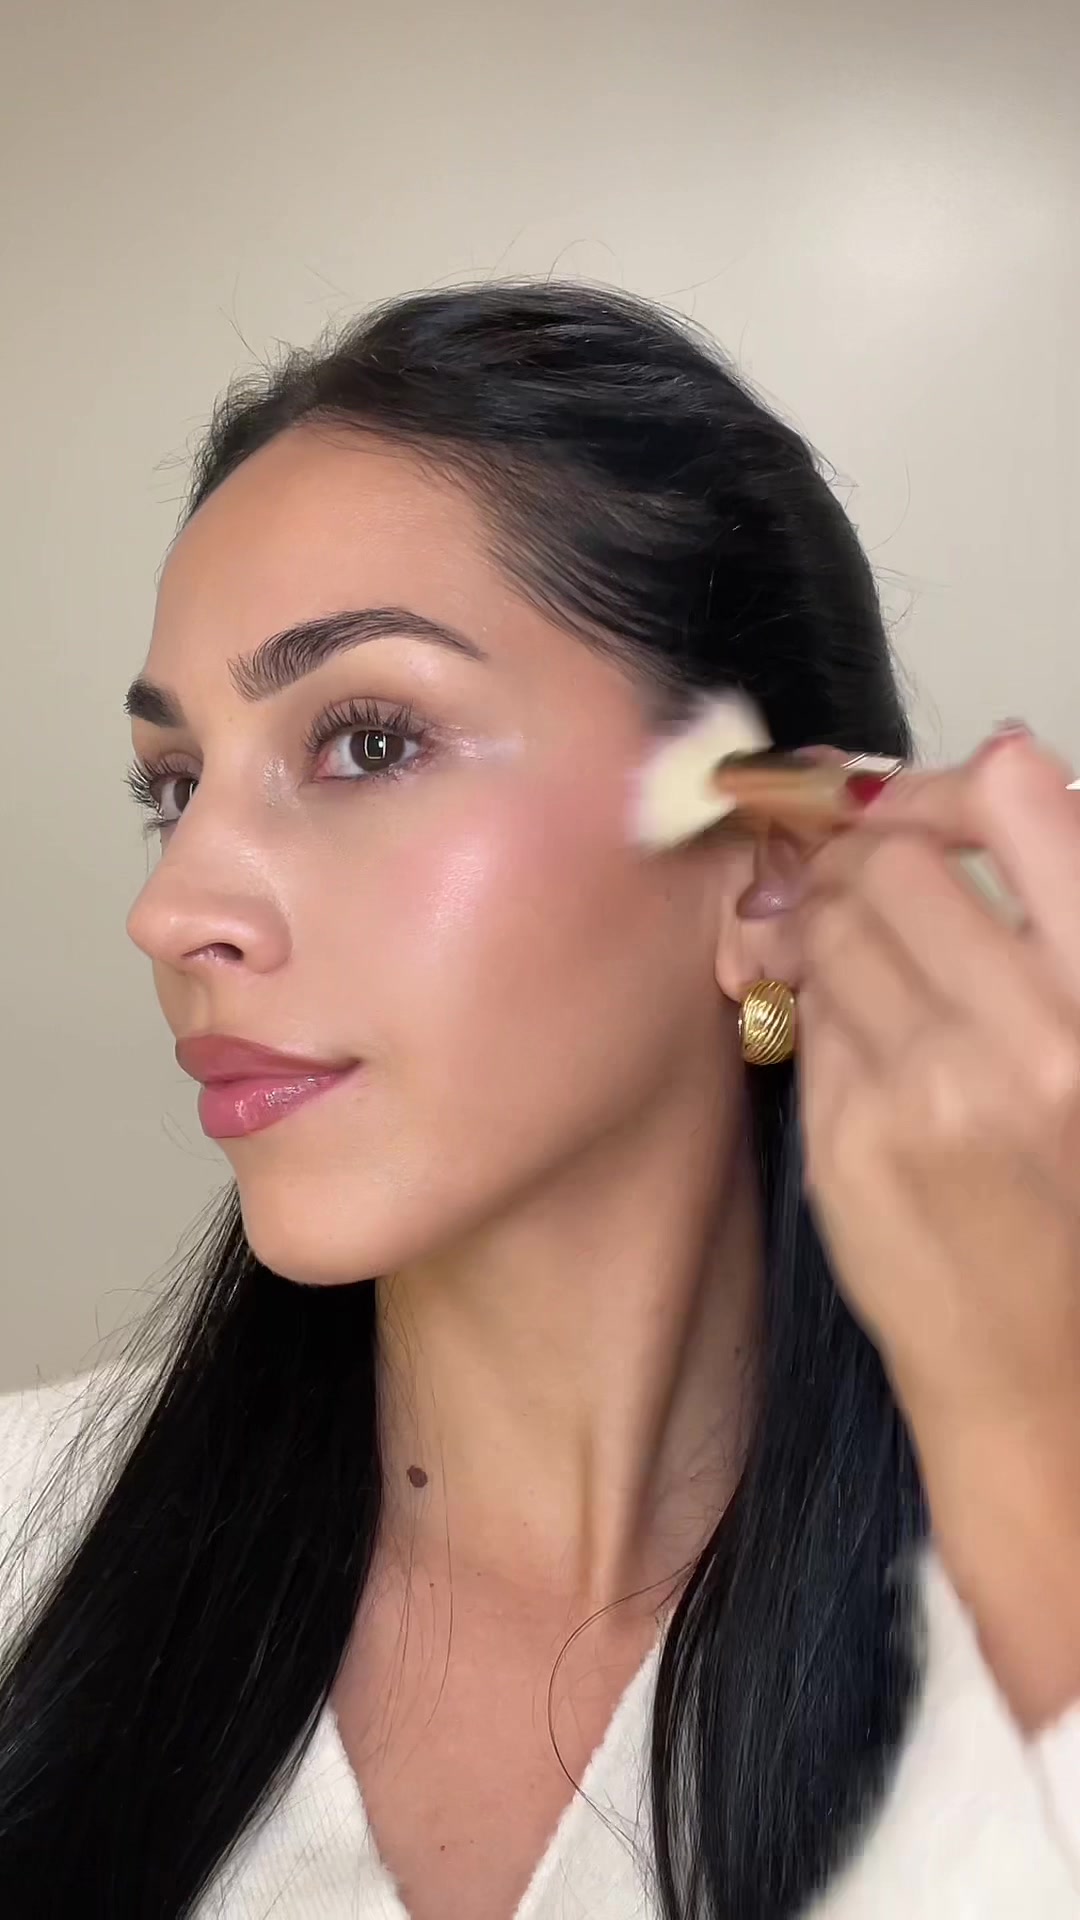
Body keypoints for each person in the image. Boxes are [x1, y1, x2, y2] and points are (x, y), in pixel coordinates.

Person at [0, 281, 1077, 1920]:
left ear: (771, 869)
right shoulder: (21, 1530)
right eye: (175, 783)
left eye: (367, 742)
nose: (174, 909)